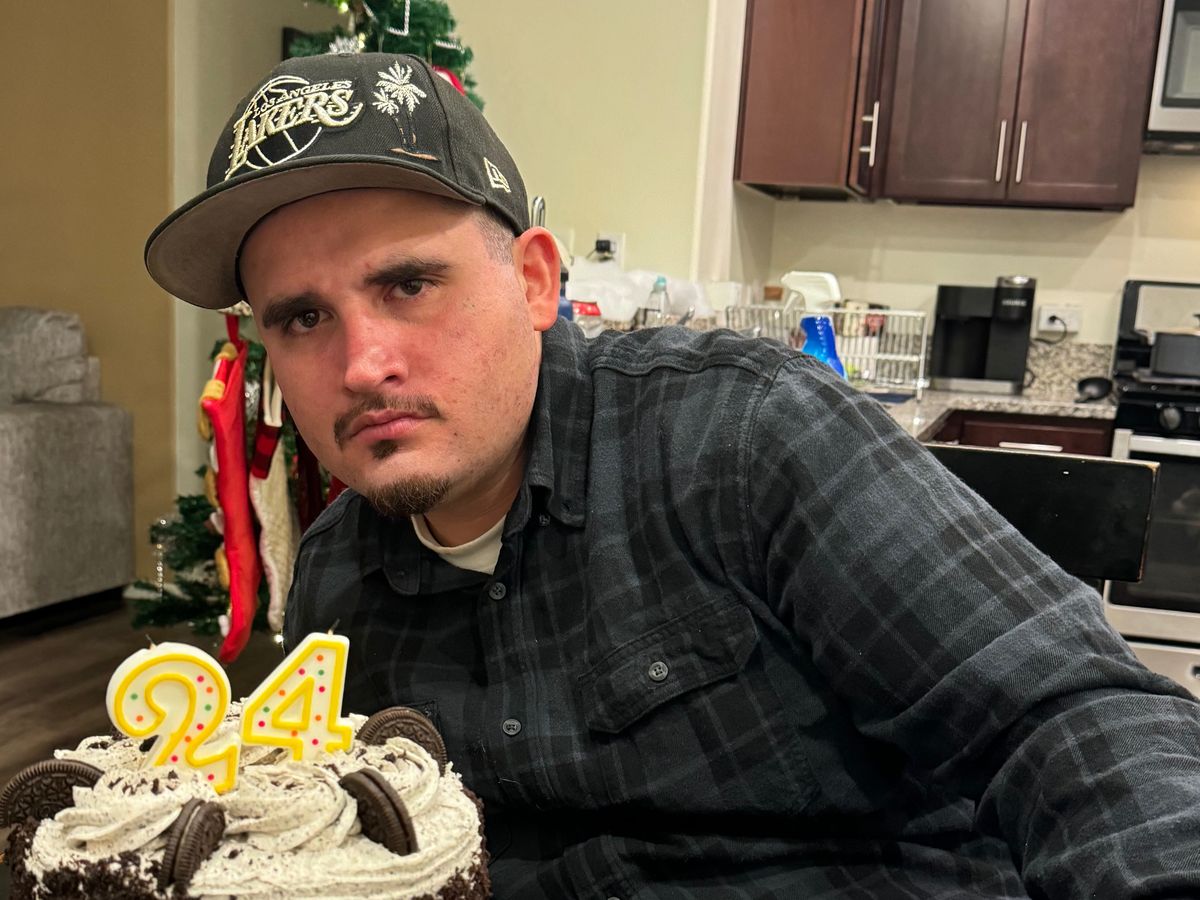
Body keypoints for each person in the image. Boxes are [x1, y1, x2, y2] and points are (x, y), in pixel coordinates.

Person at [146, 52, 1200, 899]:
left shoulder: (742, 436)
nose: (362, 363)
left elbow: (1066, 719)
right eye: (303, 317)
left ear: (534, 281)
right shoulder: (338, 582)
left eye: (409, 284)